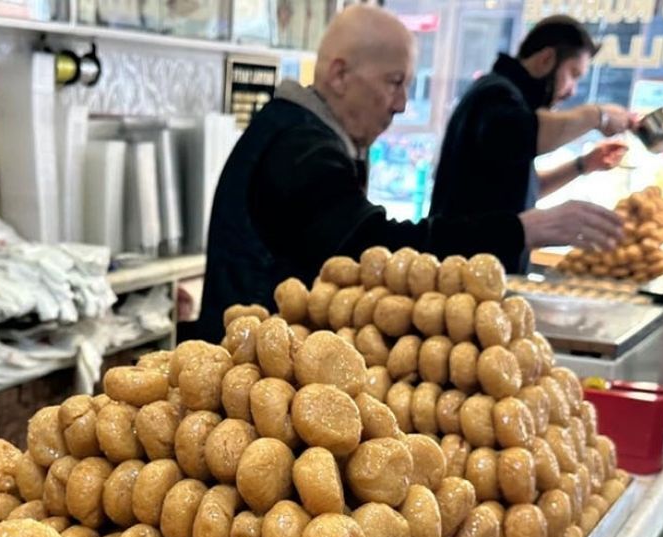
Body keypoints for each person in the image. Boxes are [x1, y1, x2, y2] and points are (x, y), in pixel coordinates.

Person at [194, 5, 621, 343]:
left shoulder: (299, 133)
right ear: (340, 75)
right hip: (245, 377)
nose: (400, 104)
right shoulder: (301, 149)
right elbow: (377, 252)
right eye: (394, 82)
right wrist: (520, 230)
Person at [430, 15, 635, 271]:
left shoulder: (507, 98)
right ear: (546, 59)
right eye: (573, 74)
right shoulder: (495, 94)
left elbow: (525, 190)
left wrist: (584, 164)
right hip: (464, 274)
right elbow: (524, 134)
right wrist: (597, 116)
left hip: (485, 274)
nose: (572, 90)